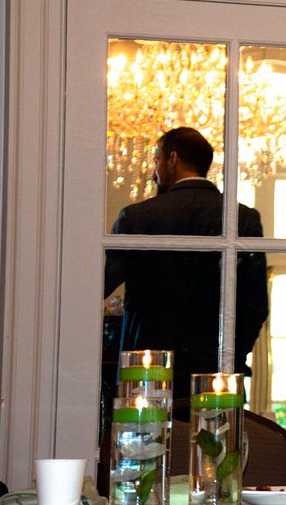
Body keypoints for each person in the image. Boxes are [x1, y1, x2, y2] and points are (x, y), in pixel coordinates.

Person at [105, 126, 269, 396]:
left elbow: (102, 284)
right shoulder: (244, 219)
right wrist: (232, 355)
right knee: (216, 438)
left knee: (148, 438)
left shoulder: (139, 216)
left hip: (148, 371)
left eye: (156, 161)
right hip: (219, 371)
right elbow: (255, 305)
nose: (153, 172)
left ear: (172, 158)